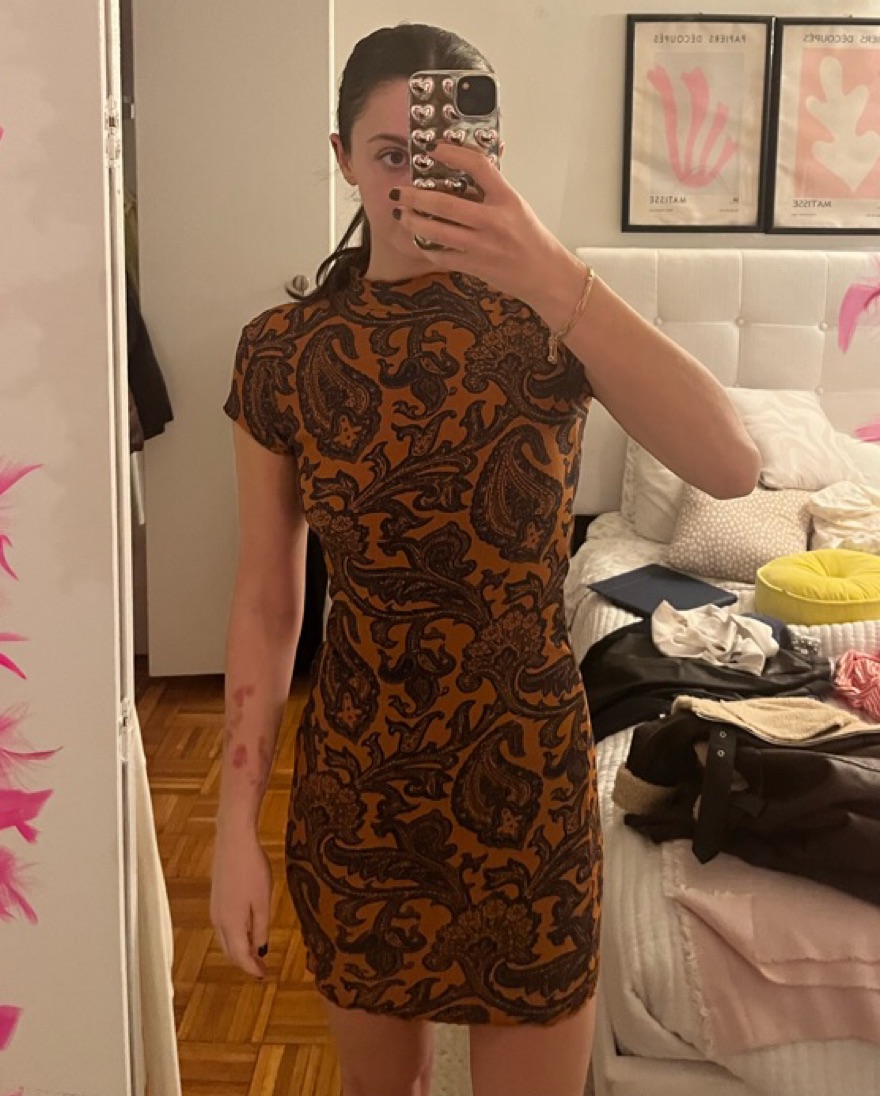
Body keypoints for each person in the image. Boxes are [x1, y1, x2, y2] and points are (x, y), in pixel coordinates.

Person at [210, 22, 761, 1096]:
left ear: (490, 154)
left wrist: (551, 271)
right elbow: (267, 603)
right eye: (388, 154)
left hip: (527, 788)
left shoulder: (553, 319)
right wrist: (235, 826)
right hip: (358, 792)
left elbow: (730, 465)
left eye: (449, 155)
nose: (416, 182)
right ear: (341, 159)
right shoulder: (283, 352)